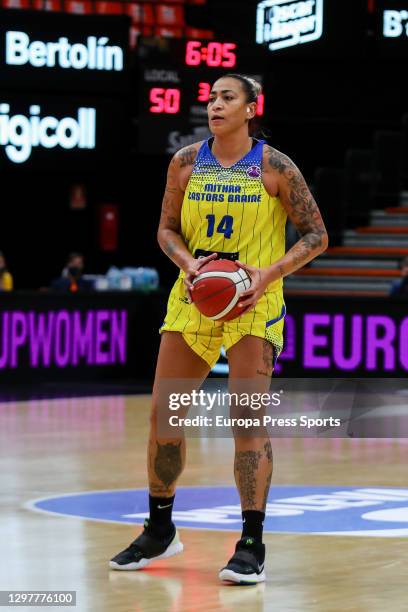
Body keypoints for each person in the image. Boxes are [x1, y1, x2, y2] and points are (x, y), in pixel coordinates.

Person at [110, 74, 328, 583]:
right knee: (164, 419)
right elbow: (165, 229)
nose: (215, 105)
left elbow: (317, 234)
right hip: (194, 298)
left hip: (254, 302)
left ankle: (252, 544)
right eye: (210, 98)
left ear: (253, 108)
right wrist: (189, 264)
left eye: (227, 97)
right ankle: (160, 530)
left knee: (247, 426)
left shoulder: (275, 166)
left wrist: (267, 273)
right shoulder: (185, 162)